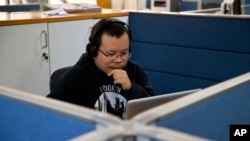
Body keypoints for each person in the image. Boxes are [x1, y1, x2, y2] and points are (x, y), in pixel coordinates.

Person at [47, 18, 155, 119]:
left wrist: (131, 88)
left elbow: (154, 109)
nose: (118, 60)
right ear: (93, 51)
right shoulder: (75, 77)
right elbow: (48, 113)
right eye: (111, 54)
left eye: (124, 53)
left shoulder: (135, 71)